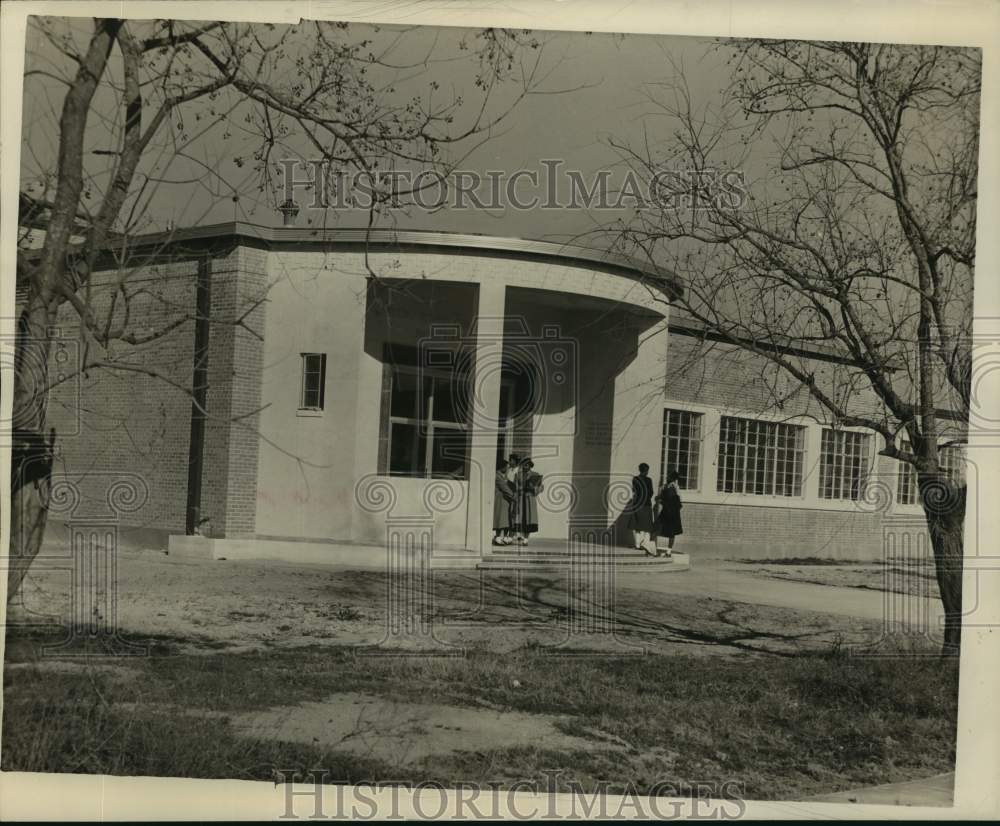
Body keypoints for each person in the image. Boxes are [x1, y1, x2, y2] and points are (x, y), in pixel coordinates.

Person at [626, 463, 655, 554]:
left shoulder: (635, 479)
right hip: (646, 504)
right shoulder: (649, 480)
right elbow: (651, 493)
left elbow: (634, 491)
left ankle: (637, 545)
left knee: (637, 525)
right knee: (647, 526)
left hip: (637, 504)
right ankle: (645, 544)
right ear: (646, 470)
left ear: (639, 470)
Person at [654, 469, 684, 558]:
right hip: (667, 511)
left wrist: (662, 500)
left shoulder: (675, 487)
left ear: (673, 478)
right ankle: (654, 549)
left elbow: (678, 502)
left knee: (671, 532)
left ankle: (668, 552)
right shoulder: (665, 486)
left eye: (669, 477)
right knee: (657, 528)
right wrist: (659, 498)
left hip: (672, 512)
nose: (667, 478)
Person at [517, 458, 544, 545]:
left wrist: (534, 489)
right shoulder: (518, 475)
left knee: (529, 519)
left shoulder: (535, 475)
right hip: (521, 498)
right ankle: (520, 535)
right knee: (520, 517)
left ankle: (526, 538)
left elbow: (541, 487)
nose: (525, 467)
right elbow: (515, 486)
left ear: (530, 465)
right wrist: (519, 490)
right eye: (524, 465)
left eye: (527, 465)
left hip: (529, 499)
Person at [493, 459, 516, 546]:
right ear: (502, 467)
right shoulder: (497, 476)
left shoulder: (502, 476)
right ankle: (498, 537)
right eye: (506, 467)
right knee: (500, 519)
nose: (507, 469)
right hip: (500, 499)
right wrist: (513, 496)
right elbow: (504, 487)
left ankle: (501, 537)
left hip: (505, 500)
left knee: (504, 519)